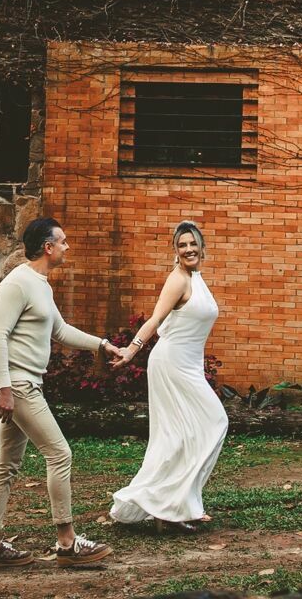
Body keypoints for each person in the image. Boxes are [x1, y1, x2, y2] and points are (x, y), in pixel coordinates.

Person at [0, 216, 121, 570]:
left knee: (6, 464)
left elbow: (60, 330)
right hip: (18, 385)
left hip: (25, 383)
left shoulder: (41, 285)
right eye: (63, 241)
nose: (67, 247)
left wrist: (101, 345)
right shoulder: (17, 284)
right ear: (48, 246)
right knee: (59, 454)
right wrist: (4, 388)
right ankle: (68, 543)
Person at [109, 220, 227, 530]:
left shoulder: (195, 278)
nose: (188, 249)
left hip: (189, 364)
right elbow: (155, 320)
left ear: (202, 247)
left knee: (188, 434)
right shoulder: (177, 280)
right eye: (182, 245)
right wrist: (131, 350)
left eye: (192, 243)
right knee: (208, 423)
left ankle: (173, 506)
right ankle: (169, 504)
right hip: (171, 362)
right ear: (175, 250)